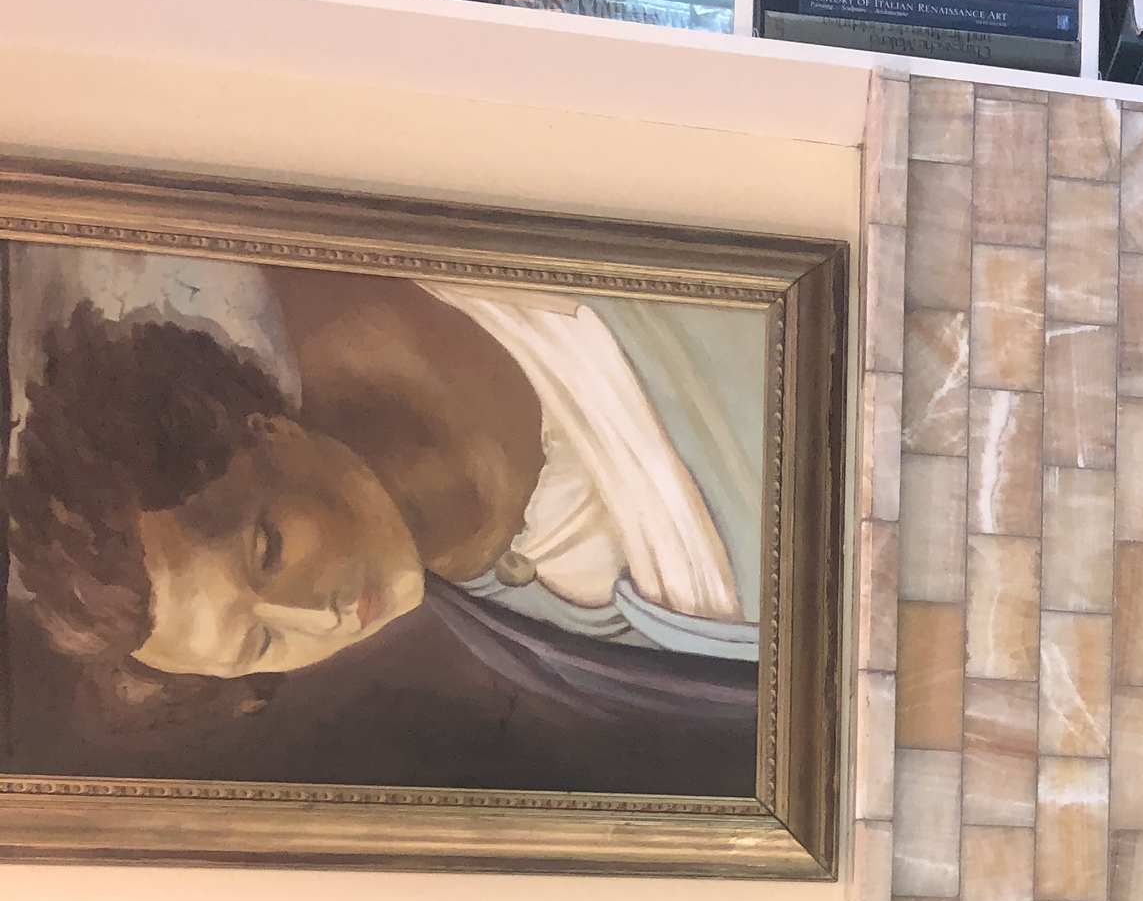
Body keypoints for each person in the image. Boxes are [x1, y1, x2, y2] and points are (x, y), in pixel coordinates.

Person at [5, 248, 765, 735]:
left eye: (267, 551)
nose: (317, 612)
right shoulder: (551, 659)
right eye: (260, 643)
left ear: (265, 432)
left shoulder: (505, 283)